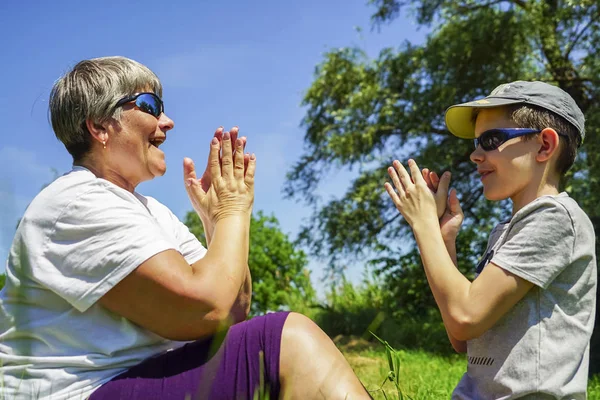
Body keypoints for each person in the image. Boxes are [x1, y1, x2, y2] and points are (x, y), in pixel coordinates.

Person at [0, 56, 371, 400]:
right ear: (99, 126)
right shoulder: (77, 201)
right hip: (79, 392)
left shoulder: (149, 210)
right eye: (150, 105)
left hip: (134, 379)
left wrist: (216, 225)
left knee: (269, 338)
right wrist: (233, 210)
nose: (167, 121)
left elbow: (233, 309)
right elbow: (205, 309)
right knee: (291, 341)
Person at [384, 81, 597, 399]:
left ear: (544, 146)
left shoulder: (556, 217)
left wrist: (424, 224)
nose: (474, 155)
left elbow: (465, 317)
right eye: (475, 143)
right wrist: (443, 241)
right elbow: (462, 336)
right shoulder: (506, 230)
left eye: (490, 140)